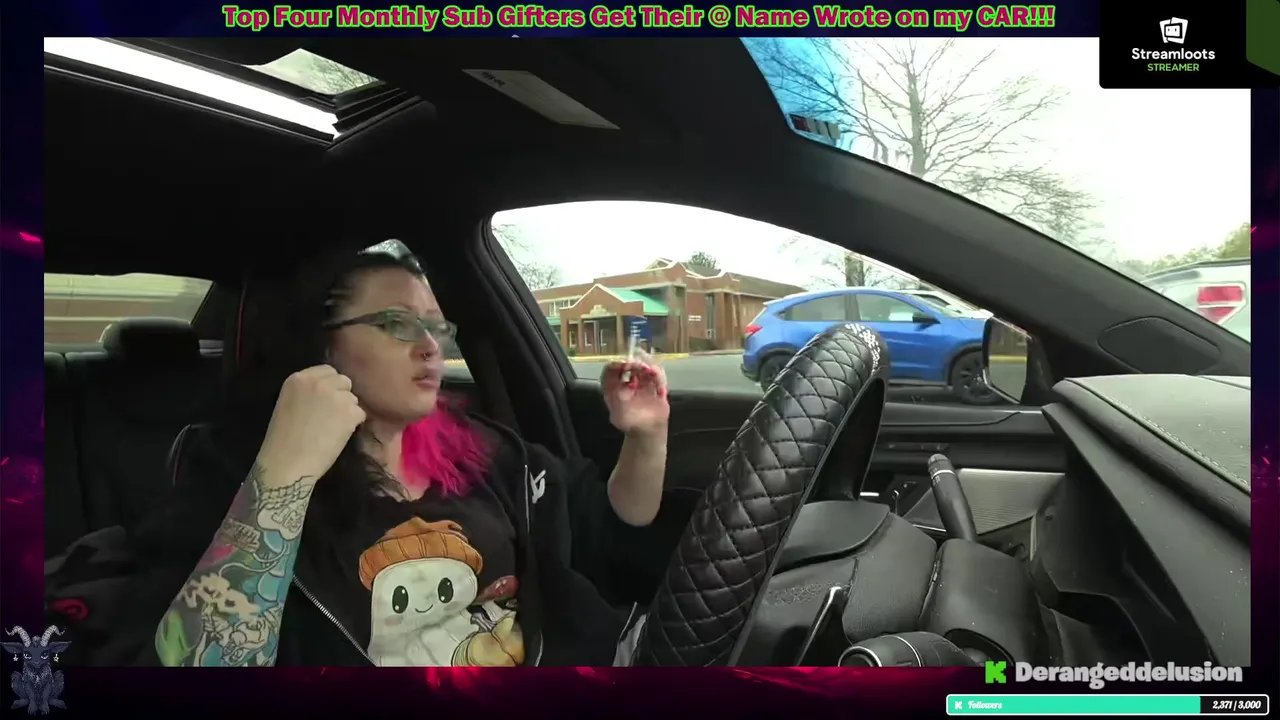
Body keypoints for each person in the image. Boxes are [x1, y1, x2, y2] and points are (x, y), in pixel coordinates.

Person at [99, 241, 671, 667]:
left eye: (436, 328)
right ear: (325, 343)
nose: (430, 348)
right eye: (397, 324)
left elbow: (613, 523)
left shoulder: (488, 451)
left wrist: (646, 435)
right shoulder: (230, 469)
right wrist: (283, 474)